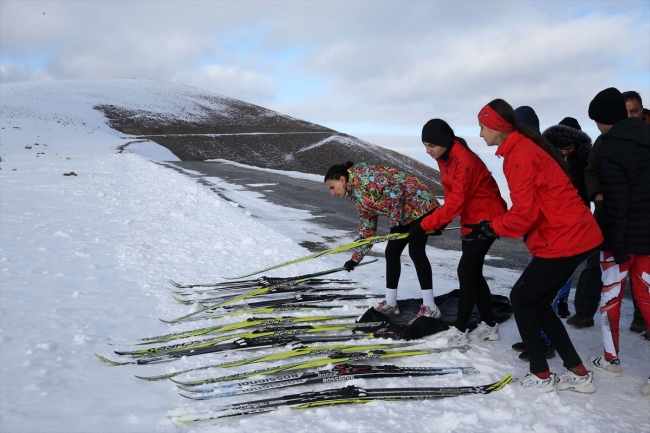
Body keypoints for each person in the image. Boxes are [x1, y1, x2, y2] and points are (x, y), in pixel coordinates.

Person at [466, 98, 602, 393]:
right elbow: (530, 207)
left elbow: (524, 213)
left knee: (521, 298)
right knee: (538, 303)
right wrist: (494, 225)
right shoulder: (519, 149)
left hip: (566, 237)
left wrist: (492, 229)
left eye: (482, 127)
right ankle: (578, 373)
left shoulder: (519, 156)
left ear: (498, 128)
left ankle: (541, 375)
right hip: (571, 234)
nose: (480, 133)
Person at [409, 119, 507, 344]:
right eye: (425, 145)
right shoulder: (444, 157)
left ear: (444, 142)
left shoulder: (464, 160)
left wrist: (424, 226)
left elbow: (456, 202)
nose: (427, 151)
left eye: (431, 145)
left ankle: (460, 329)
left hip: (487, 216)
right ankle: (490, 326)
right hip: (471, 216)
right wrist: (439, 222)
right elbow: (451, 193)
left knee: (466, 271)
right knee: (473, 272)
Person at [585, 88, 650, 390]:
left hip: (618, 239)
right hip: (648, 238)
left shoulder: (610, 145)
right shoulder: (647, 136)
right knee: (649, 299)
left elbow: (617, 202)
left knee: (611, 297)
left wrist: (618, 248)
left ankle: (611, 360)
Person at [324, 162, 441, 320]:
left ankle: (430, 307)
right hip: (405, 214)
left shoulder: (364, 176)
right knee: (391, 252)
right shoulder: (358, 196)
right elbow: (368, 229)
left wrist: (396, 224)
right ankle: (391, 303)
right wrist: (355, 259)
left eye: (332, 187)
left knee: (416, 251)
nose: (332, 193)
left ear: (343, 180)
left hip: (421, 205)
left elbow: (394, 191)